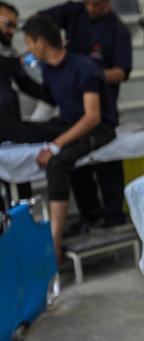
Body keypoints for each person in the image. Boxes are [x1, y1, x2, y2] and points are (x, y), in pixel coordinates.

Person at [0, 14, 116, 261]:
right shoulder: (50, 70)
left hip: (97, 129)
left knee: (58, 162)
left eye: (29, 43)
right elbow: (50, 97)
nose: (28, 49)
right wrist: (16, 71)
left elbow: (93, 117)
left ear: (41, 42)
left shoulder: (84, 67)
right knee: (16, 127)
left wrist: (55, 146)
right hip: (68, 123)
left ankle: (53, 244)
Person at [41, 0, 132, 230]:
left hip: (102, 110)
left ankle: (113, 214)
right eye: (88, 3)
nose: (91, 8)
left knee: (107, 161)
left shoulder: (117, 30)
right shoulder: (74, 12)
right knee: (76, 162)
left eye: (98, 4)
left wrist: (89, 74)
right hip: (72, 111)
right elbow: (39, 23)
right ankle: (89, 215)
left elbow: (121, 72)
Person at [0, 1, 50, 208]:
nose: (12, 30)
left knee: (21, 183)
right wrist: (18, 62)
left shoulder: (9, 52)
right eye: (7, 24)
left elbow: (26, 83)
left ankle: (26, 228)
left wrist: (56, 94)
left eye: (14, 26)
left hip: (11, 130)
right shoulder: (10, 59)